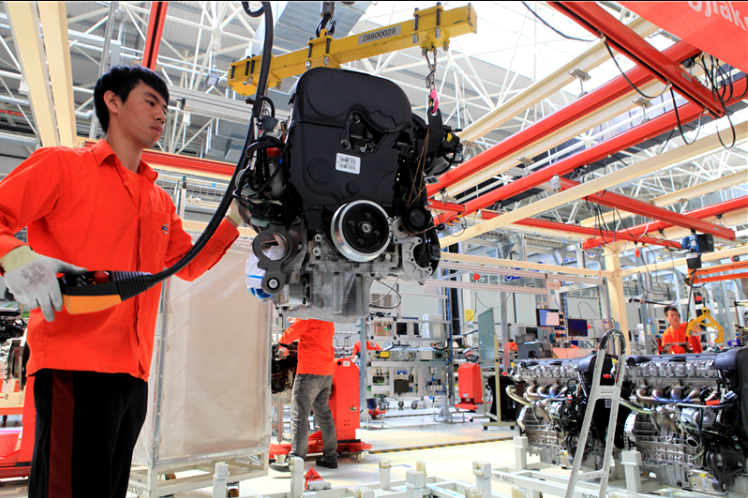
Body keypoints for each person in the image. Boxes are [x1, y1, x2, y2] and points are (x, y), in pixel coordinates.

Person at [0, 65, 244, 498]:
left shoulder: (158, 199)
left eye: (165, 108)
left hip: (133, 374)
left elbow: (185, 265)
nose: (161, 115)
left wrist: (235, 218)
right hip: (75, 366)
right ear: (112, 101)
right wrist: (15, 256)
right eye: (150, 101)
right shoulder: (62, 166)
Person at [271, 318, 338, 471]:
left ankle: (295, 461)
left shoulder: (307, 316)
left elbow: (289, 335)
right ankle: (330, 457)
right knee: (324, 415)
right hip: (326, 373)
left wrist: (281, 340)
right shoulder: (328, 319)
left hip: (309, 372)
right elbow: (314, 331)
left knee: (299, 416)